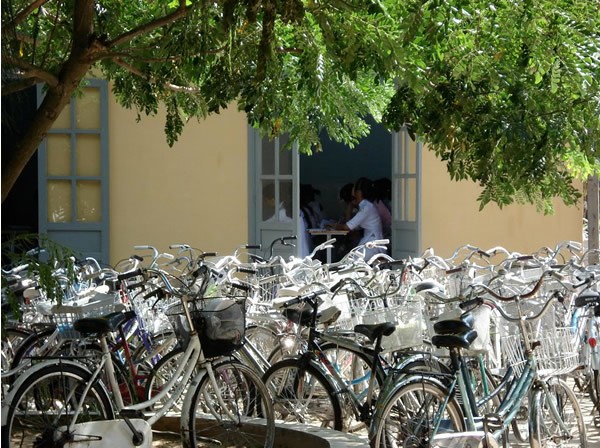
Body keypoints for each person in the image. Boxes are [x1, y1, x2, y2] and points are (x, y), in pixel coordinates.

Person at [329, 177, 385, 261]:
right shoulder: (365, 206)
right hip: (370, 241)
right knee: (350, 259)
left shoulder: (366, 207)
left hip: (373, 244)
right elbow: (351, 226)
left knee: (351, 262)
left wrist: (334, 226)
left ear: (358, 192)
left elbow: (347, 227)